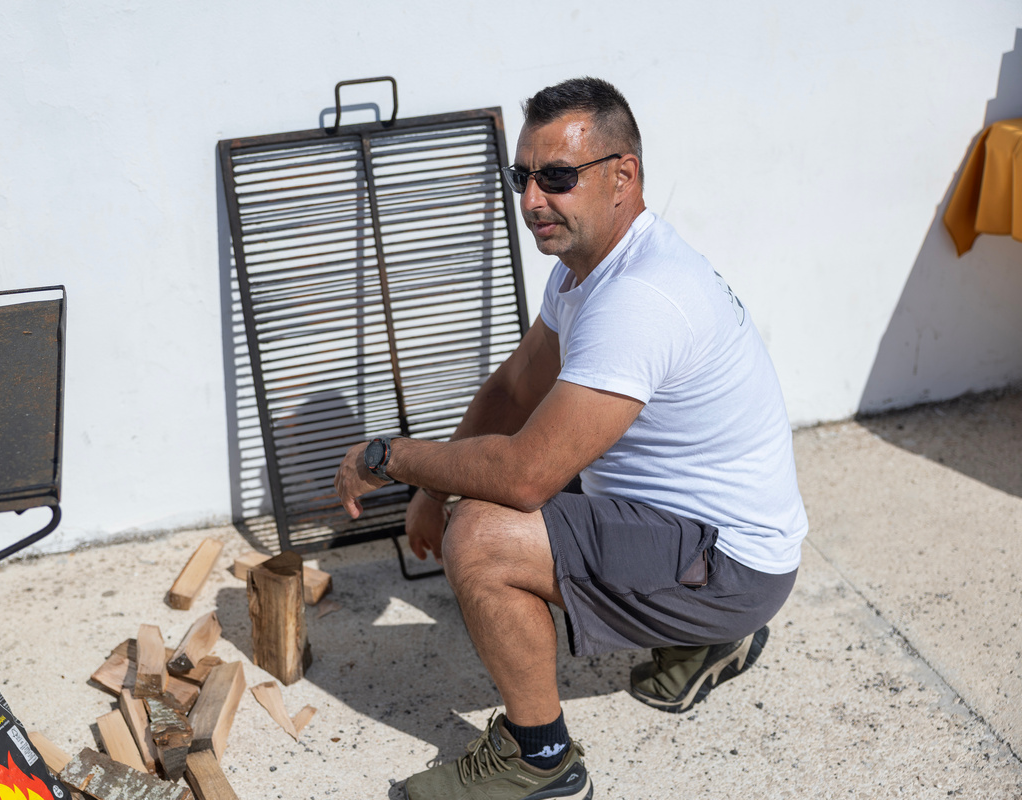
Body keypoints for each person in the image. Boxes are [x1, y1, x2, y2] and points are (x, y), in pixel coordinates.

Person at [333, 76, 808, 800]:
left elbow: (523, 476)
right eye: (522, 177)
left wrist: (390, 457)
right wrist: (431, 486)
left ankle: (542, 762)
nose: (531, 200)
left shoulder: (640, 298)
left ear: (623, 176)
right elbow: (514, 388)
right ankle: (704, 640)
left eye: (556, 177)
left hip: (732, 565)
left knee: (483, 536)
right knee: (516, 467)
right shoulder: (590, 268)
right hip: (711, 532)